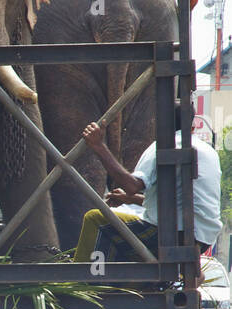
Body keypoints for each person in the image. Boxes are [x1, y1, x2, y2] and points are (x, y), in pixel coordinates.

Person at [73, 103, 221, 264]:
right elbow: (180, 203)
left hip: (169, 235)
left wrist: (98, 146)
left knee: (95, 218)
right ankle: (134, 284)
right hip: (201, 237)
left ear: (159, 124)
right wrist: (132, 199)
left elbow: (131, 186)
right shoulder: (208, 151)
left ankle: (81, 280)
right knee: (123, 225)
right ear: (192, 127)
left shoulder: (165, 145)